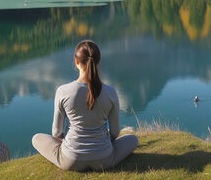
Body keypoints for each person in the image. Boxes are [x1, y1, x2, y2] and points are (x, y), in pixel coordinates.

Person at [31, 40, 138, 171]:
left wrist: (73, 145)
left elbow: (57, 133)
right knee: (133, 139)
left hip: (70, 160)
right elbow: (115, 133)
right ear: (98, 61)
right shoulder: (111, 92)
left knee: (36, 138)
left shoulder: (63, 91)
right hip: (104, 159)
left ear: (76, 62)